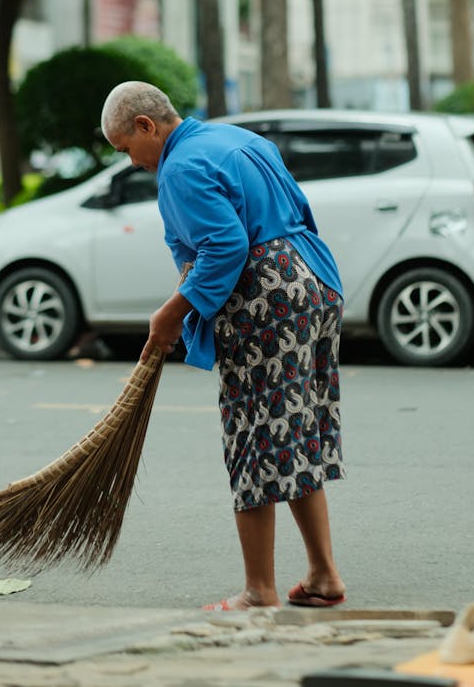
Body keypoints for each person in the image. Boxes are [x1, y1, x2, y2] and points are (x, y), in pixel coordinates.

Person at [100, 80, 346, 611]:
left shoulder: (182, 166)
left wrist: (171, 314)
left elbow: (225, 246)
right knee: (294, 428)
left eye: (127, 150)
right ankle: (323, 575)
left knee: (254, 438)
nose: (132, 163)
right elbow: (293, 214)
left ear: (147, 126)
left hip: (267, 297)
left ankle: (260, 591)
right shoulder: (239, 139)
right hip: (314, 283)